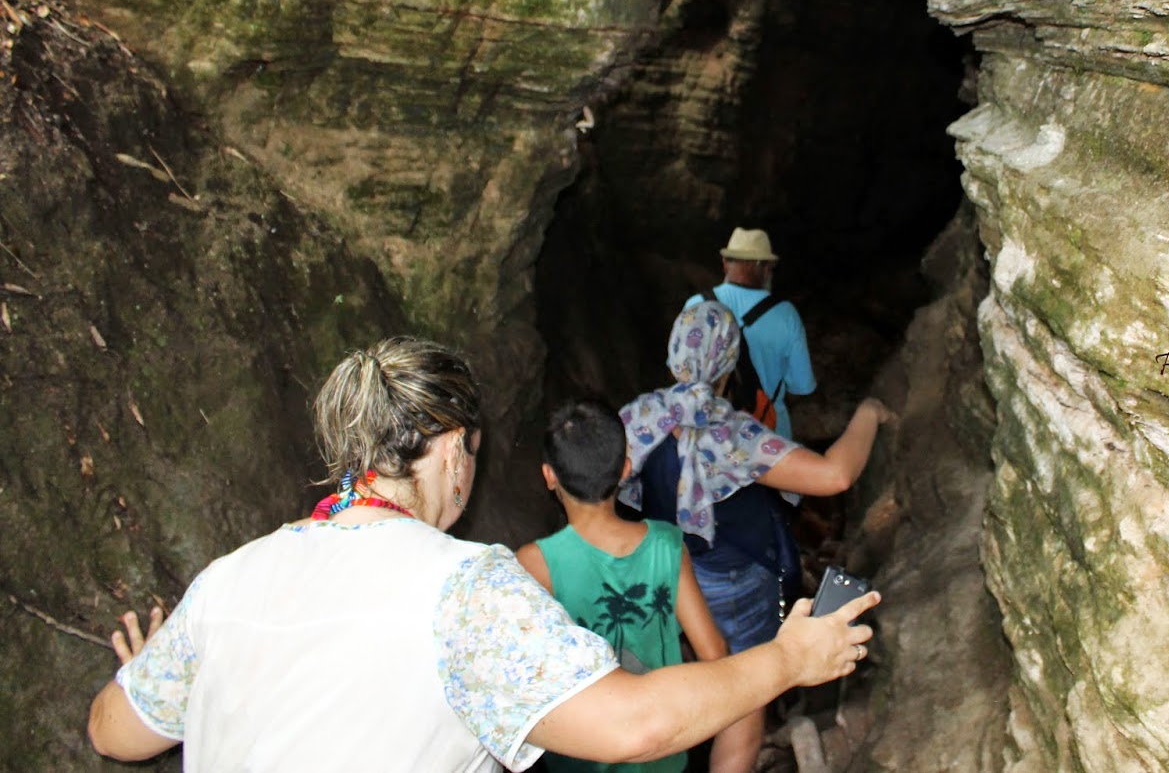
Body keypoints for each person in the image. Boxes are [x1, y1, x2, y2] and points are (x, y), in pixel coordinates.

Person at [86, 337, 878, 771]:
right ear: (457, 451)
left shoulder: (230, 579)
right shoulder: (461, 587)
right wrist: (788, 660)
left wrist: (163, 658)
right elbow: (633, 726)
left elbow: (114, 733)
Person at [620, 303, 894, 773]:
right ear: (729, 363)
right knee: (744, 699)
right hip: (732, 584)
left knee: (682, 664)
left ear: (672, 357)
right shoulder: (729, 432)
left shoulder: (637, 417)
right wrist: (869, 412)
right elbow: (835, 476)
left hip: (662, 570)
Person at [516, 401, 757, 773]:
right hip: (663, 751)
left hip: (583, 759)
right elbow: (714, 651)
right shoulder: (666, 544)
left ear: (549, 475)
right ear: (625, 470)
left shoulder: (533, 564)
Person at [685, 227, 815, 440]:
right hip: (769, 436)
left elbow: (681, 372)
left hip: (710, 435)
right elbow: (801, 385)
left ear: (725, 263)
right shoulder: (786, 315)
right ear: (767, 268)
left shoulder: (696, 306)